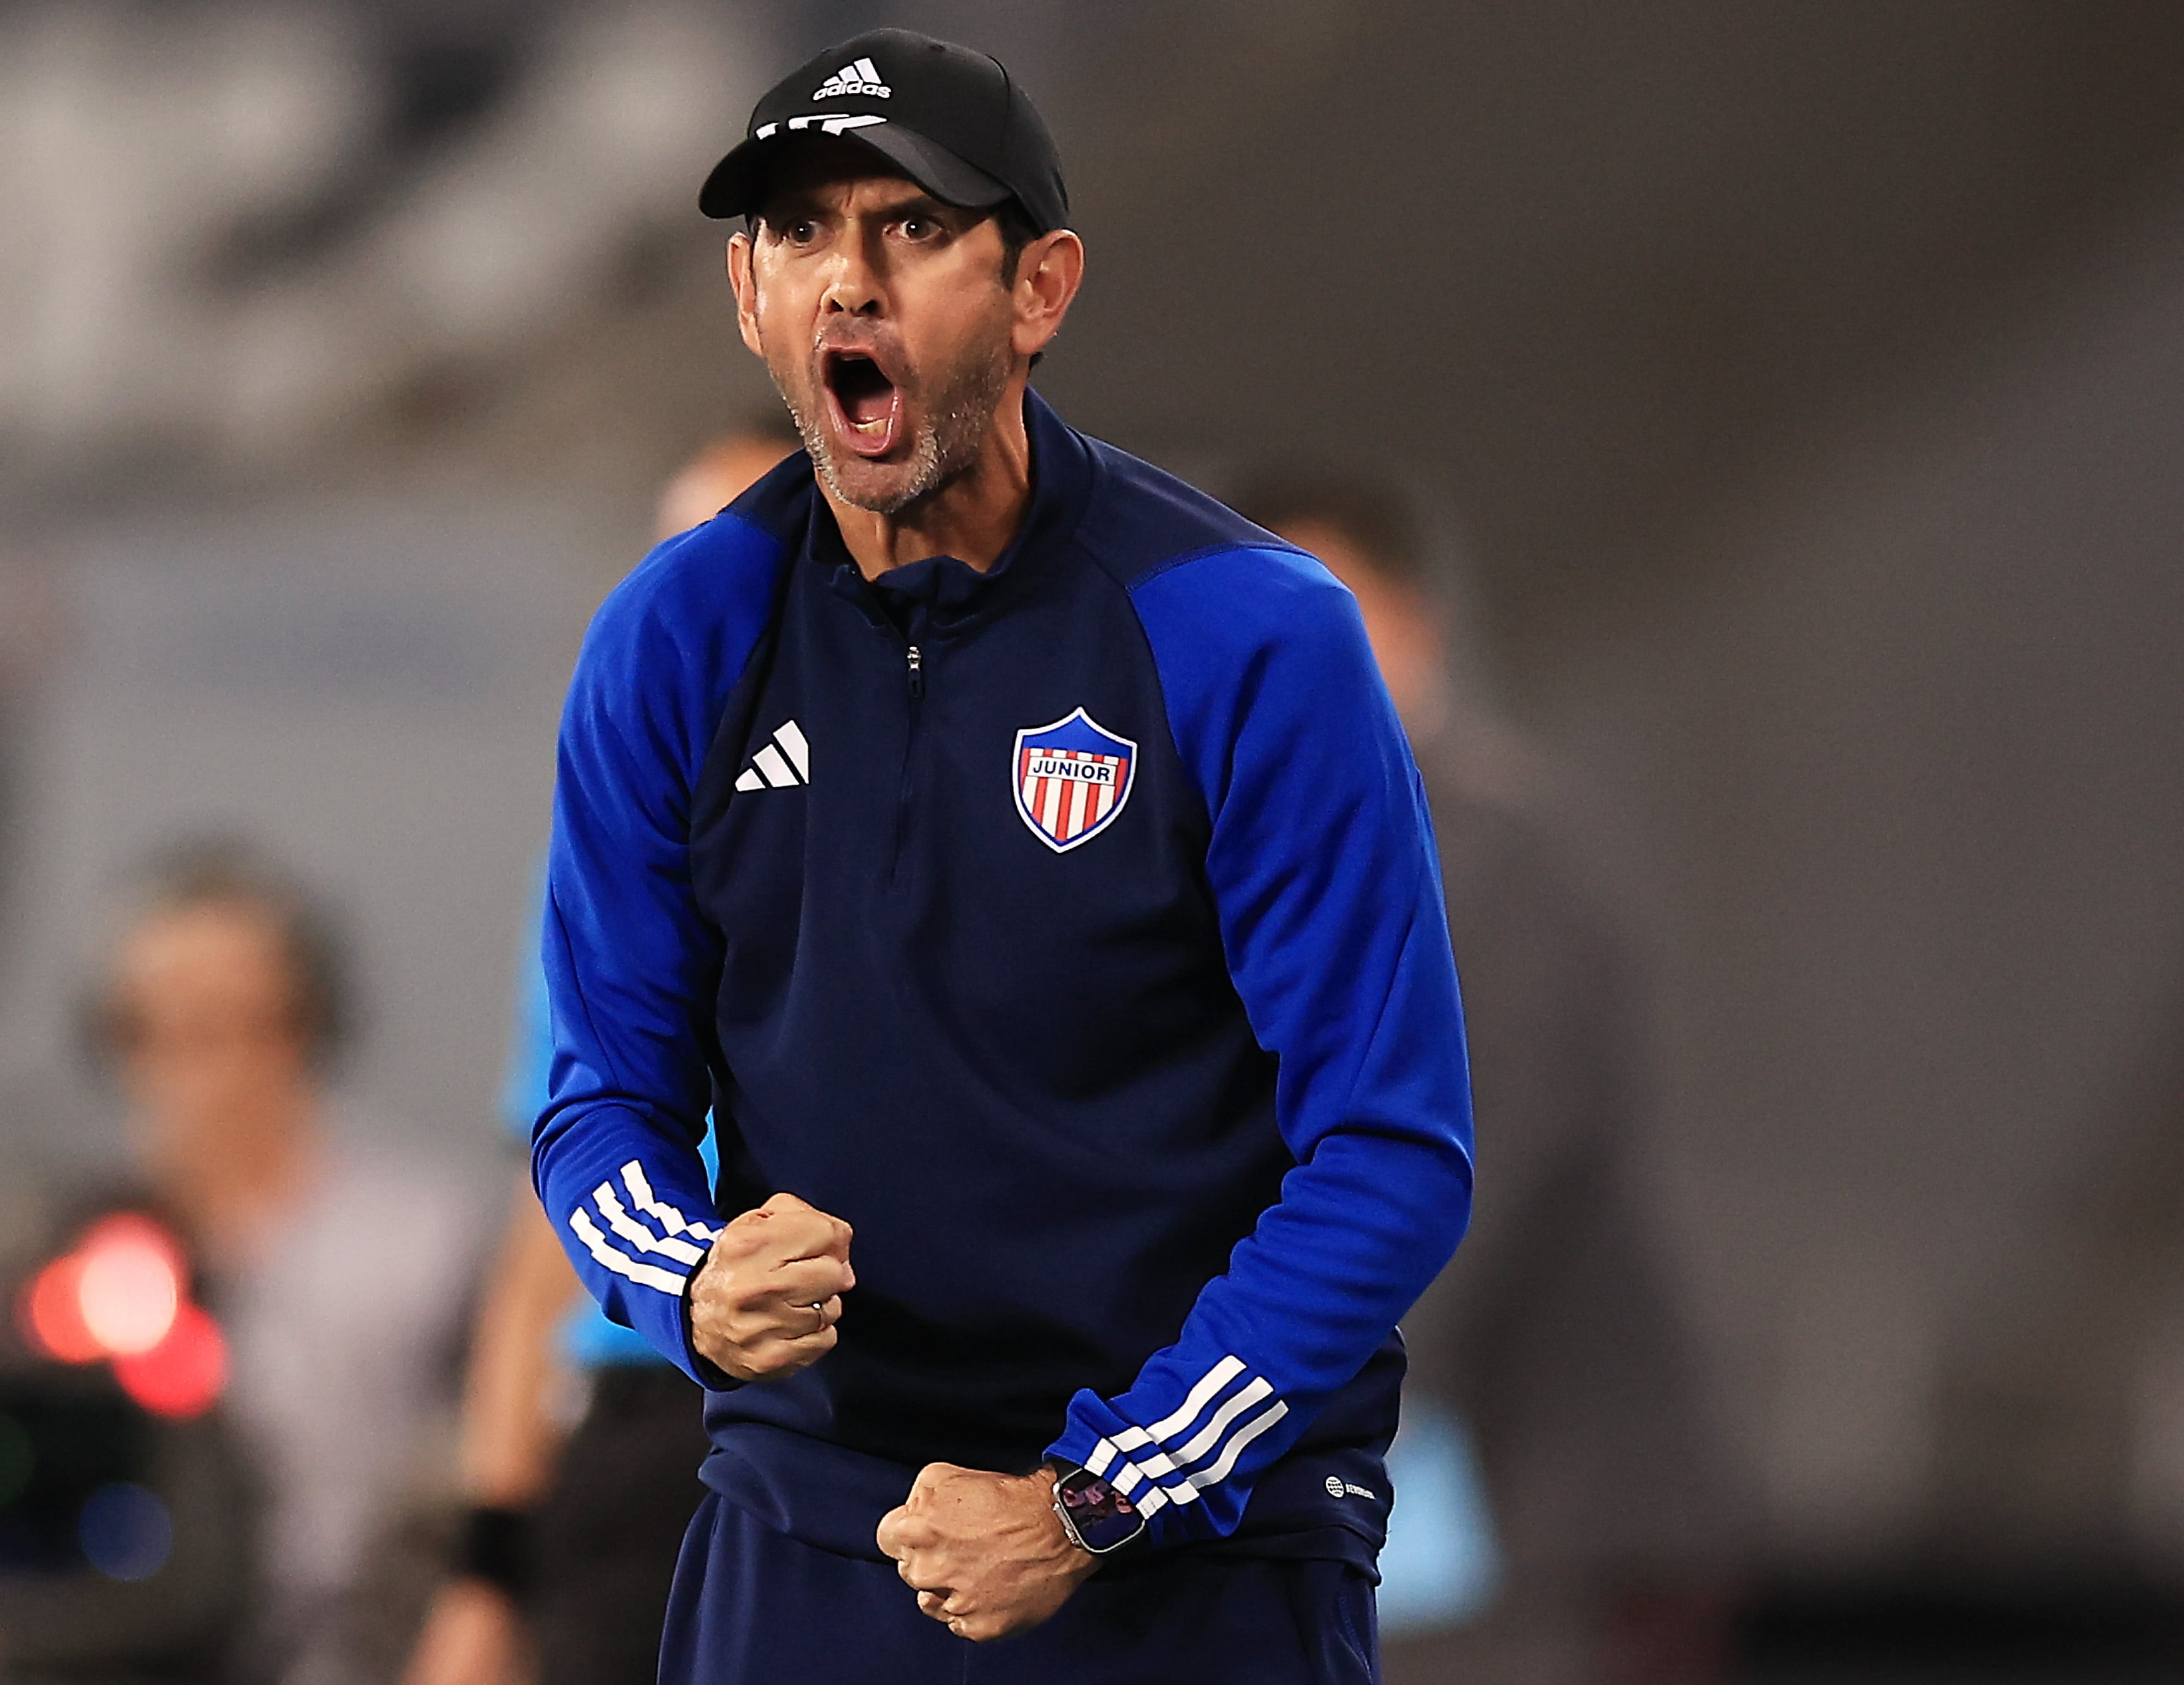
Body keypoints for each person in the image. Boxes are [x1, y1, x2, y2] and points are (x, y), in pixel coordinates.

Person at [528, 28, 1473, 1684]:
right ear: (747, 295)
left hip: (1195, 1554)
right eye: (802, 235)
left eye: (913, 230)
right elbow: (595, 1100)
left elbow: (1393, 1153)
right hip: (810, 1543)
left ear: (1041, 289)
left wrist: (1097, 1491)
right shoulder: (674, 637)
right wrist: (690, 1278)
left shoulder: (1246, 638)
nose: (851, 284)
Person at [1245, 473, 1742, 1684]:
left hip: (1532, 1532)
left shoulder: (1496, 860)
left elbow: (1447, 1187)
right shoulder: (1284, 849)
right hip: (1397, 1505)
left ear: (1418, 626)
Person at [404, 420, 798, 1685]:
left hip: (861, 1403)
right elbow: (547, 1233)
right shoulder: (611, 860)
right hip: (646, 1425)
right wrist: (486, 1560)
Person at [87, 842, 497, 1682]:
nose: (187, 1072)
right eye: (149, 1032)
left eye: (220, 1026)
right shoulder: (67, 1242)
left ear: (301, 1029)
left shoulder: (426, 1237)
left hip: (354, 1643)